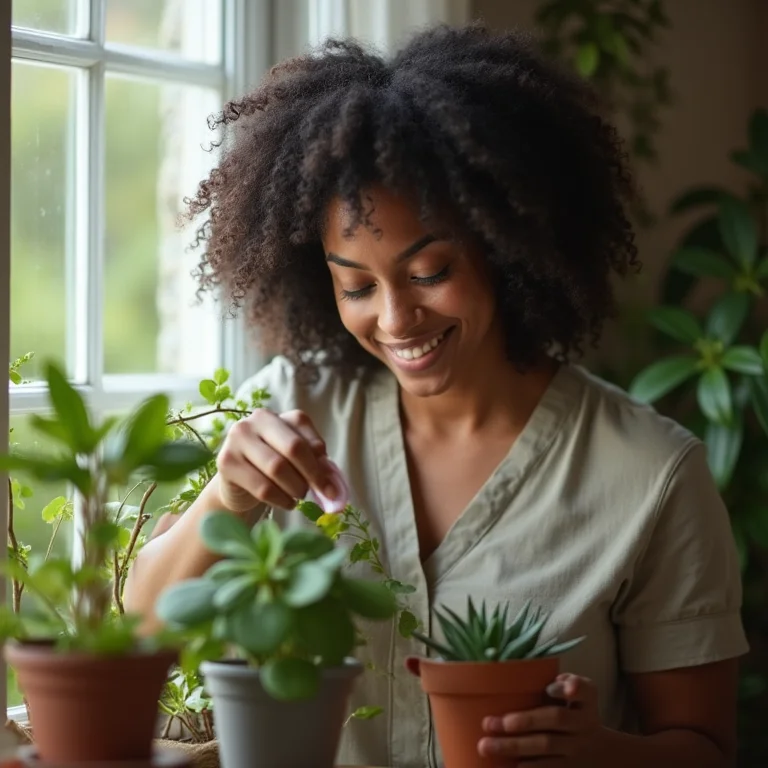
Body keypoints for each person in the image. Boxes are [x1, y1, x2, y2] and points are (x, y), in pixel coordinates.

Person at [124, 21, 748, 768]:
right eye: (355, 284)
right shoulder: (286, 407)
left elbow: (706, 749)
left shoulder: (651, 475)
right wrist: (224, 499)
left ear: (510, 243)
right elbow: (138, 638)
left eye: (429, 273)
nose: (394, 319)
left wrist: (599, 751)